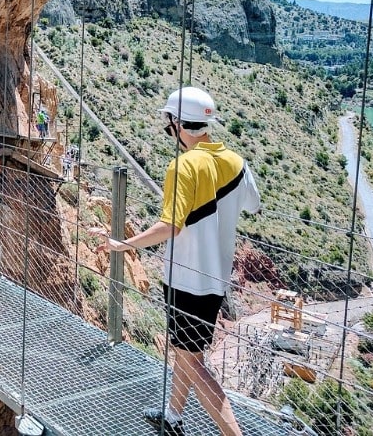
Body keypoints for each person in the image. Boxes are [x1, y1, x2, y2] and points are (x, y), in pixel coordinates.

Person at [94, 86, 260, 436]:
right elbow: (254, 205)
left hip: (185, 281)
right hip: (216, 281)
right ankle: (173, 415)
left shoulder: (182, 166)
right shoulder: (236, 163)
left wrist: (124, 244)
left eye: (168, 122)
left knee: (194, 361)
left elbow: (169, 225)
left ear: (177, 124)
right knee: (186, 351)